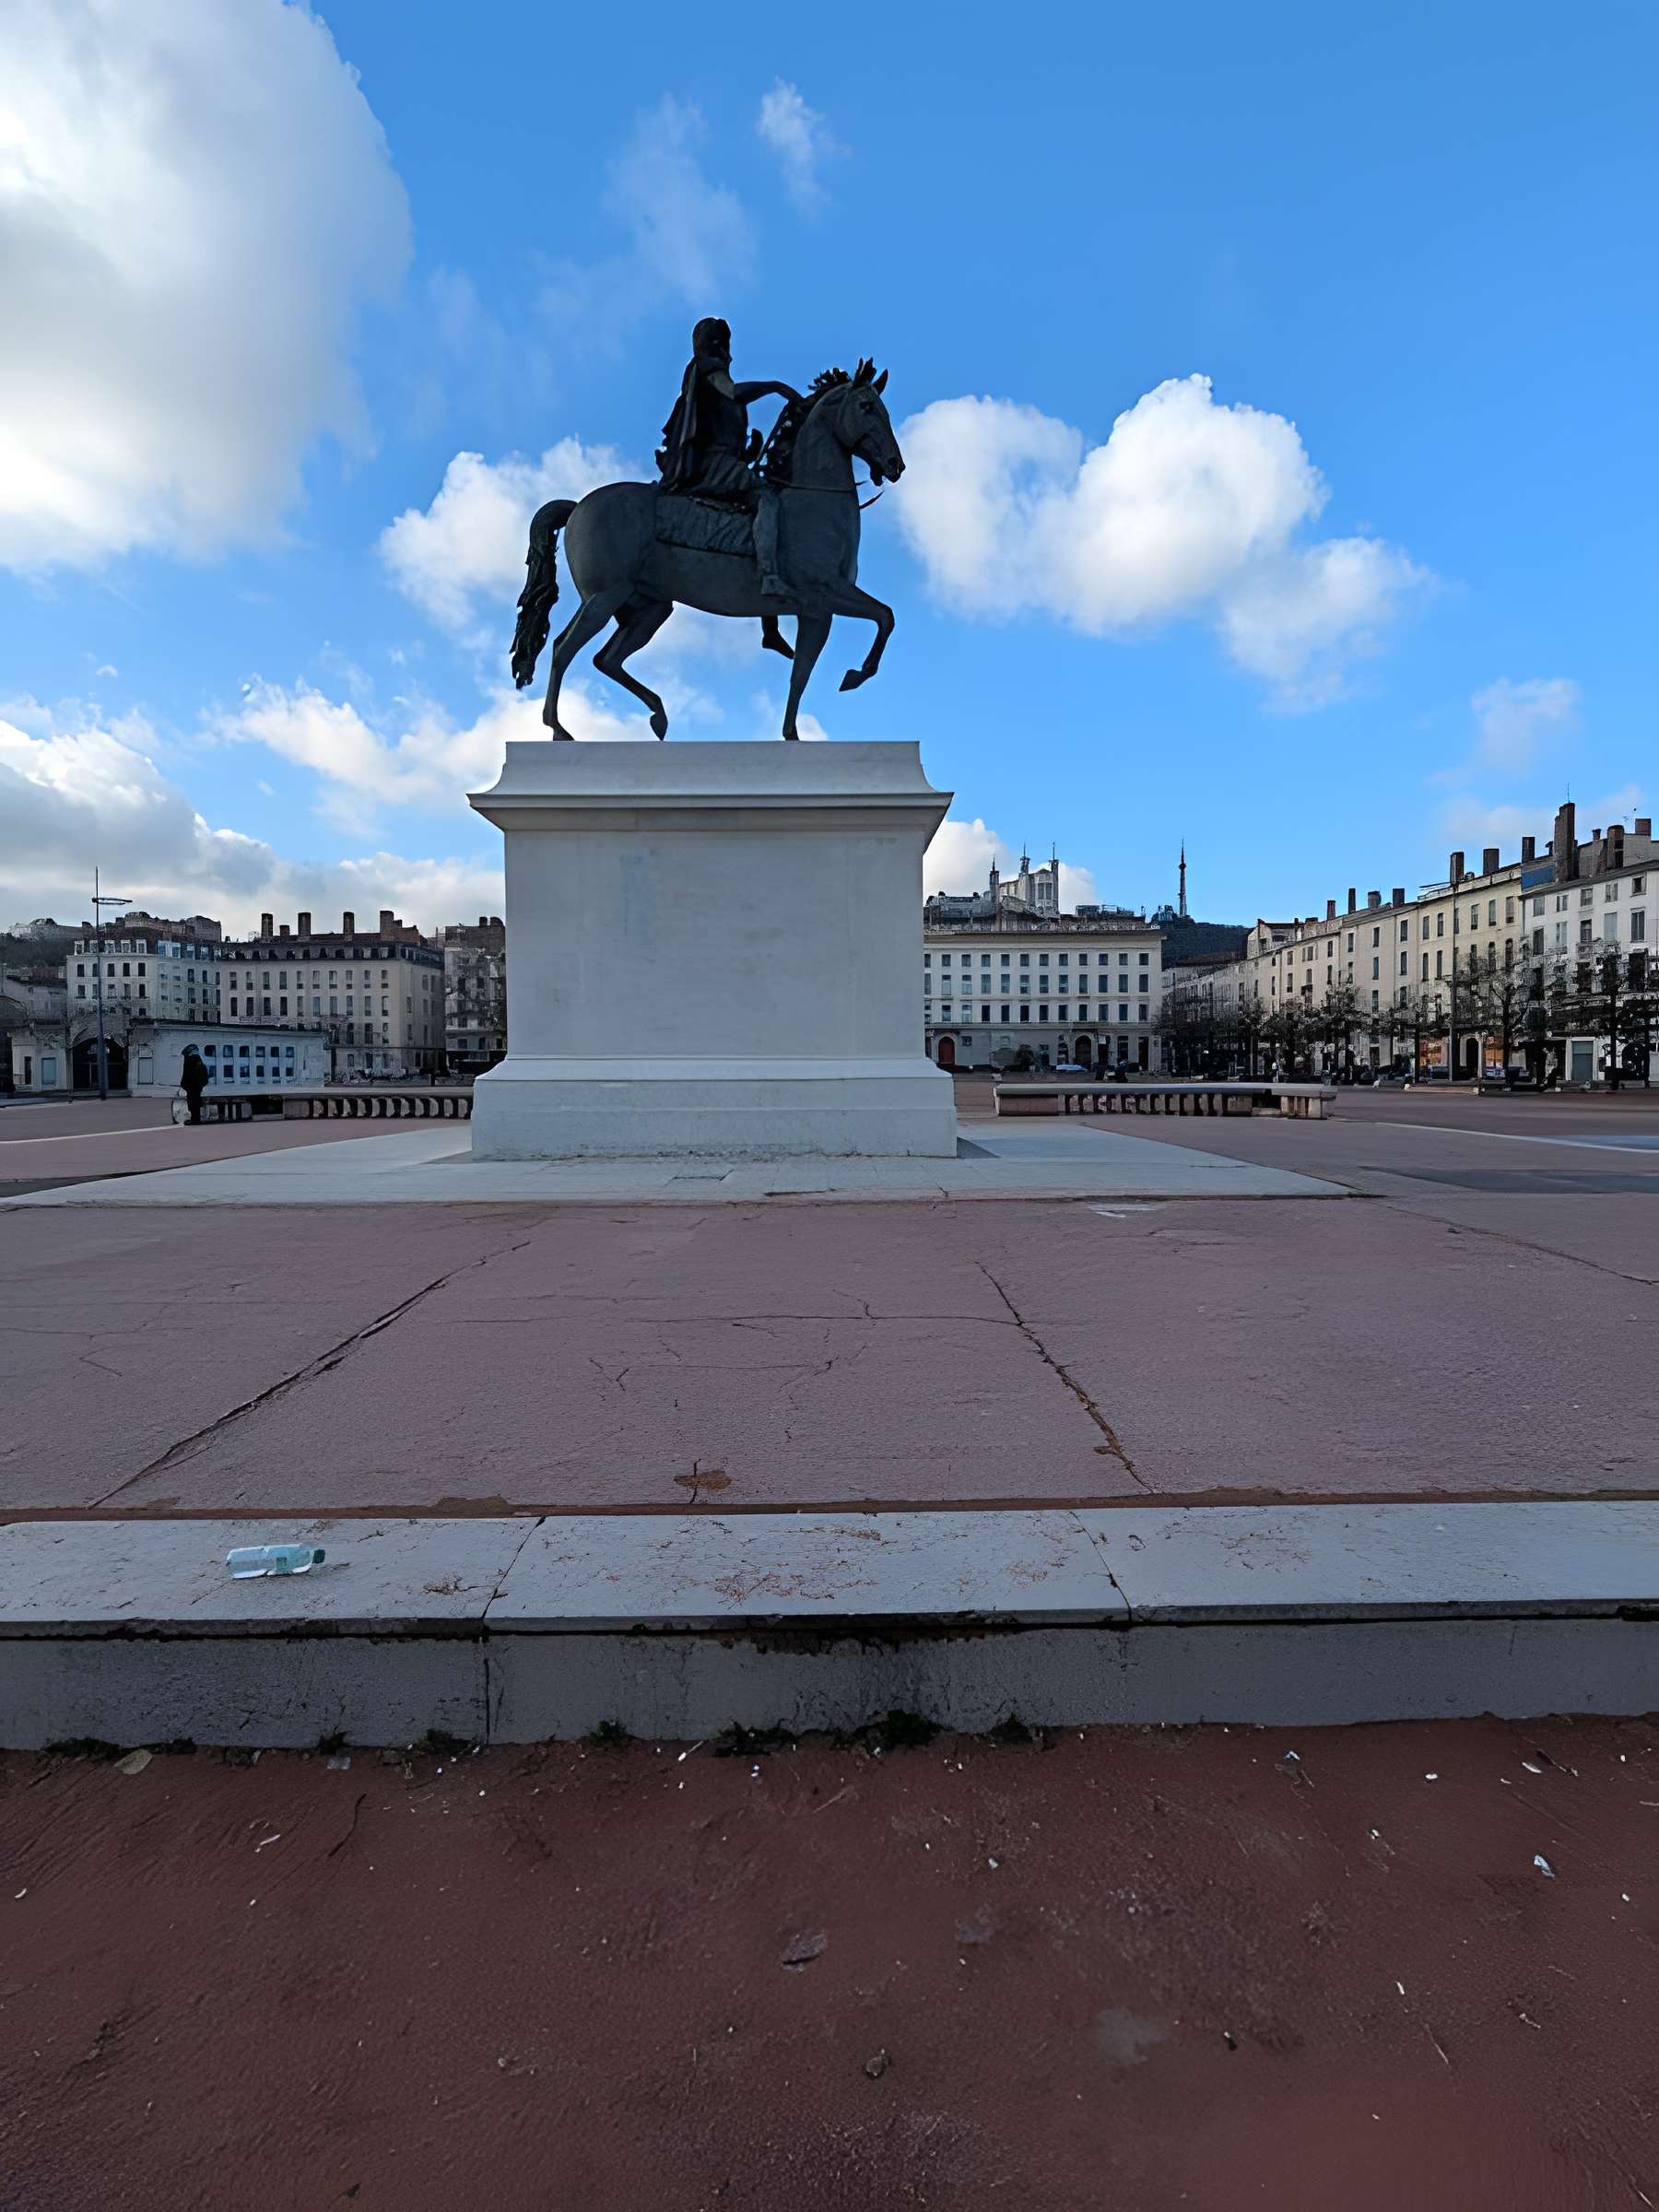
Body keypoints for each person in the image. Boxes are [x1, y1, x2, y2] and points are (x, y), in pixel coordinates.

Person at [657, 317, 797, 599]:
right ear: (720, 346)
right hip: (714, 466)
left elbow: (719, 432)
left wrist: (749, 452)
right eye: (727, 345)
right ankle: (769, 576)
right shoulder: (710, 370)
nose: (730, 354)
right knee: (767, 499)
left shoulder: (703, 380)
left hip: (723, 462)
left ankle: (769, 625)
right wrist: (774, 386)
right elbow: (733, 392)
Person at [180, 1045, 210, 1125]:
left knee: (193, 1102)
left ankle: (195, 1120)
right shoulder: (197, 1059)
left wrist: (183, 1083)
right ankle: (196, 1119)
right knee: (195, 1101)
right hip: (196, 1084)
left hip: (192, 1084)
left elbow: (186, 1073)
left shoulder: (190, 1060)